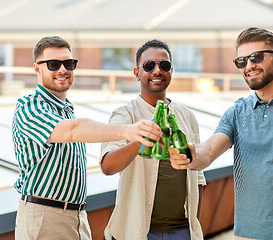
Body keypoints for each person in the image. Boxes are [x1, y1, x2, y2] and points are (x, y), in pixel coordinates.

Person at [169, 27, 273, 240]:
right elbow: (209, 150)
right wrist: (189, 155)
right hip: (246, 236)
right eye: (241, 61)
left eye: (256, 57)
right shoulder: (237, 111)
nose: (249, 66)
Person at [12, 36, 162, 240]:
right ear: (37, 69)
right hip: (45, 216)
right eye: (53, 64)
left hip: (77, 216)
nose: (63, 70)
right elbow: (74, 130)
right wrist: (129, 131)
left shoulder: (66, 109)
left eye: (69, 63)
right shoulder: (30, 106)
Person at [100, 39, 206, 240]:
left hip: (183, 233)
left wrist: (194, 227)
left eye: (164, 66)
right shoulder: (124, 115)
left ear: (171, 71)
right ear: (137, 73)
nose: (157, 71)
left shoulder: (187, 116)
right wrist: (141, 139)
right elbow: (107, 166)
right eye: (149, 66)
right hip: (135, 231)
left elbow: (198, 178)